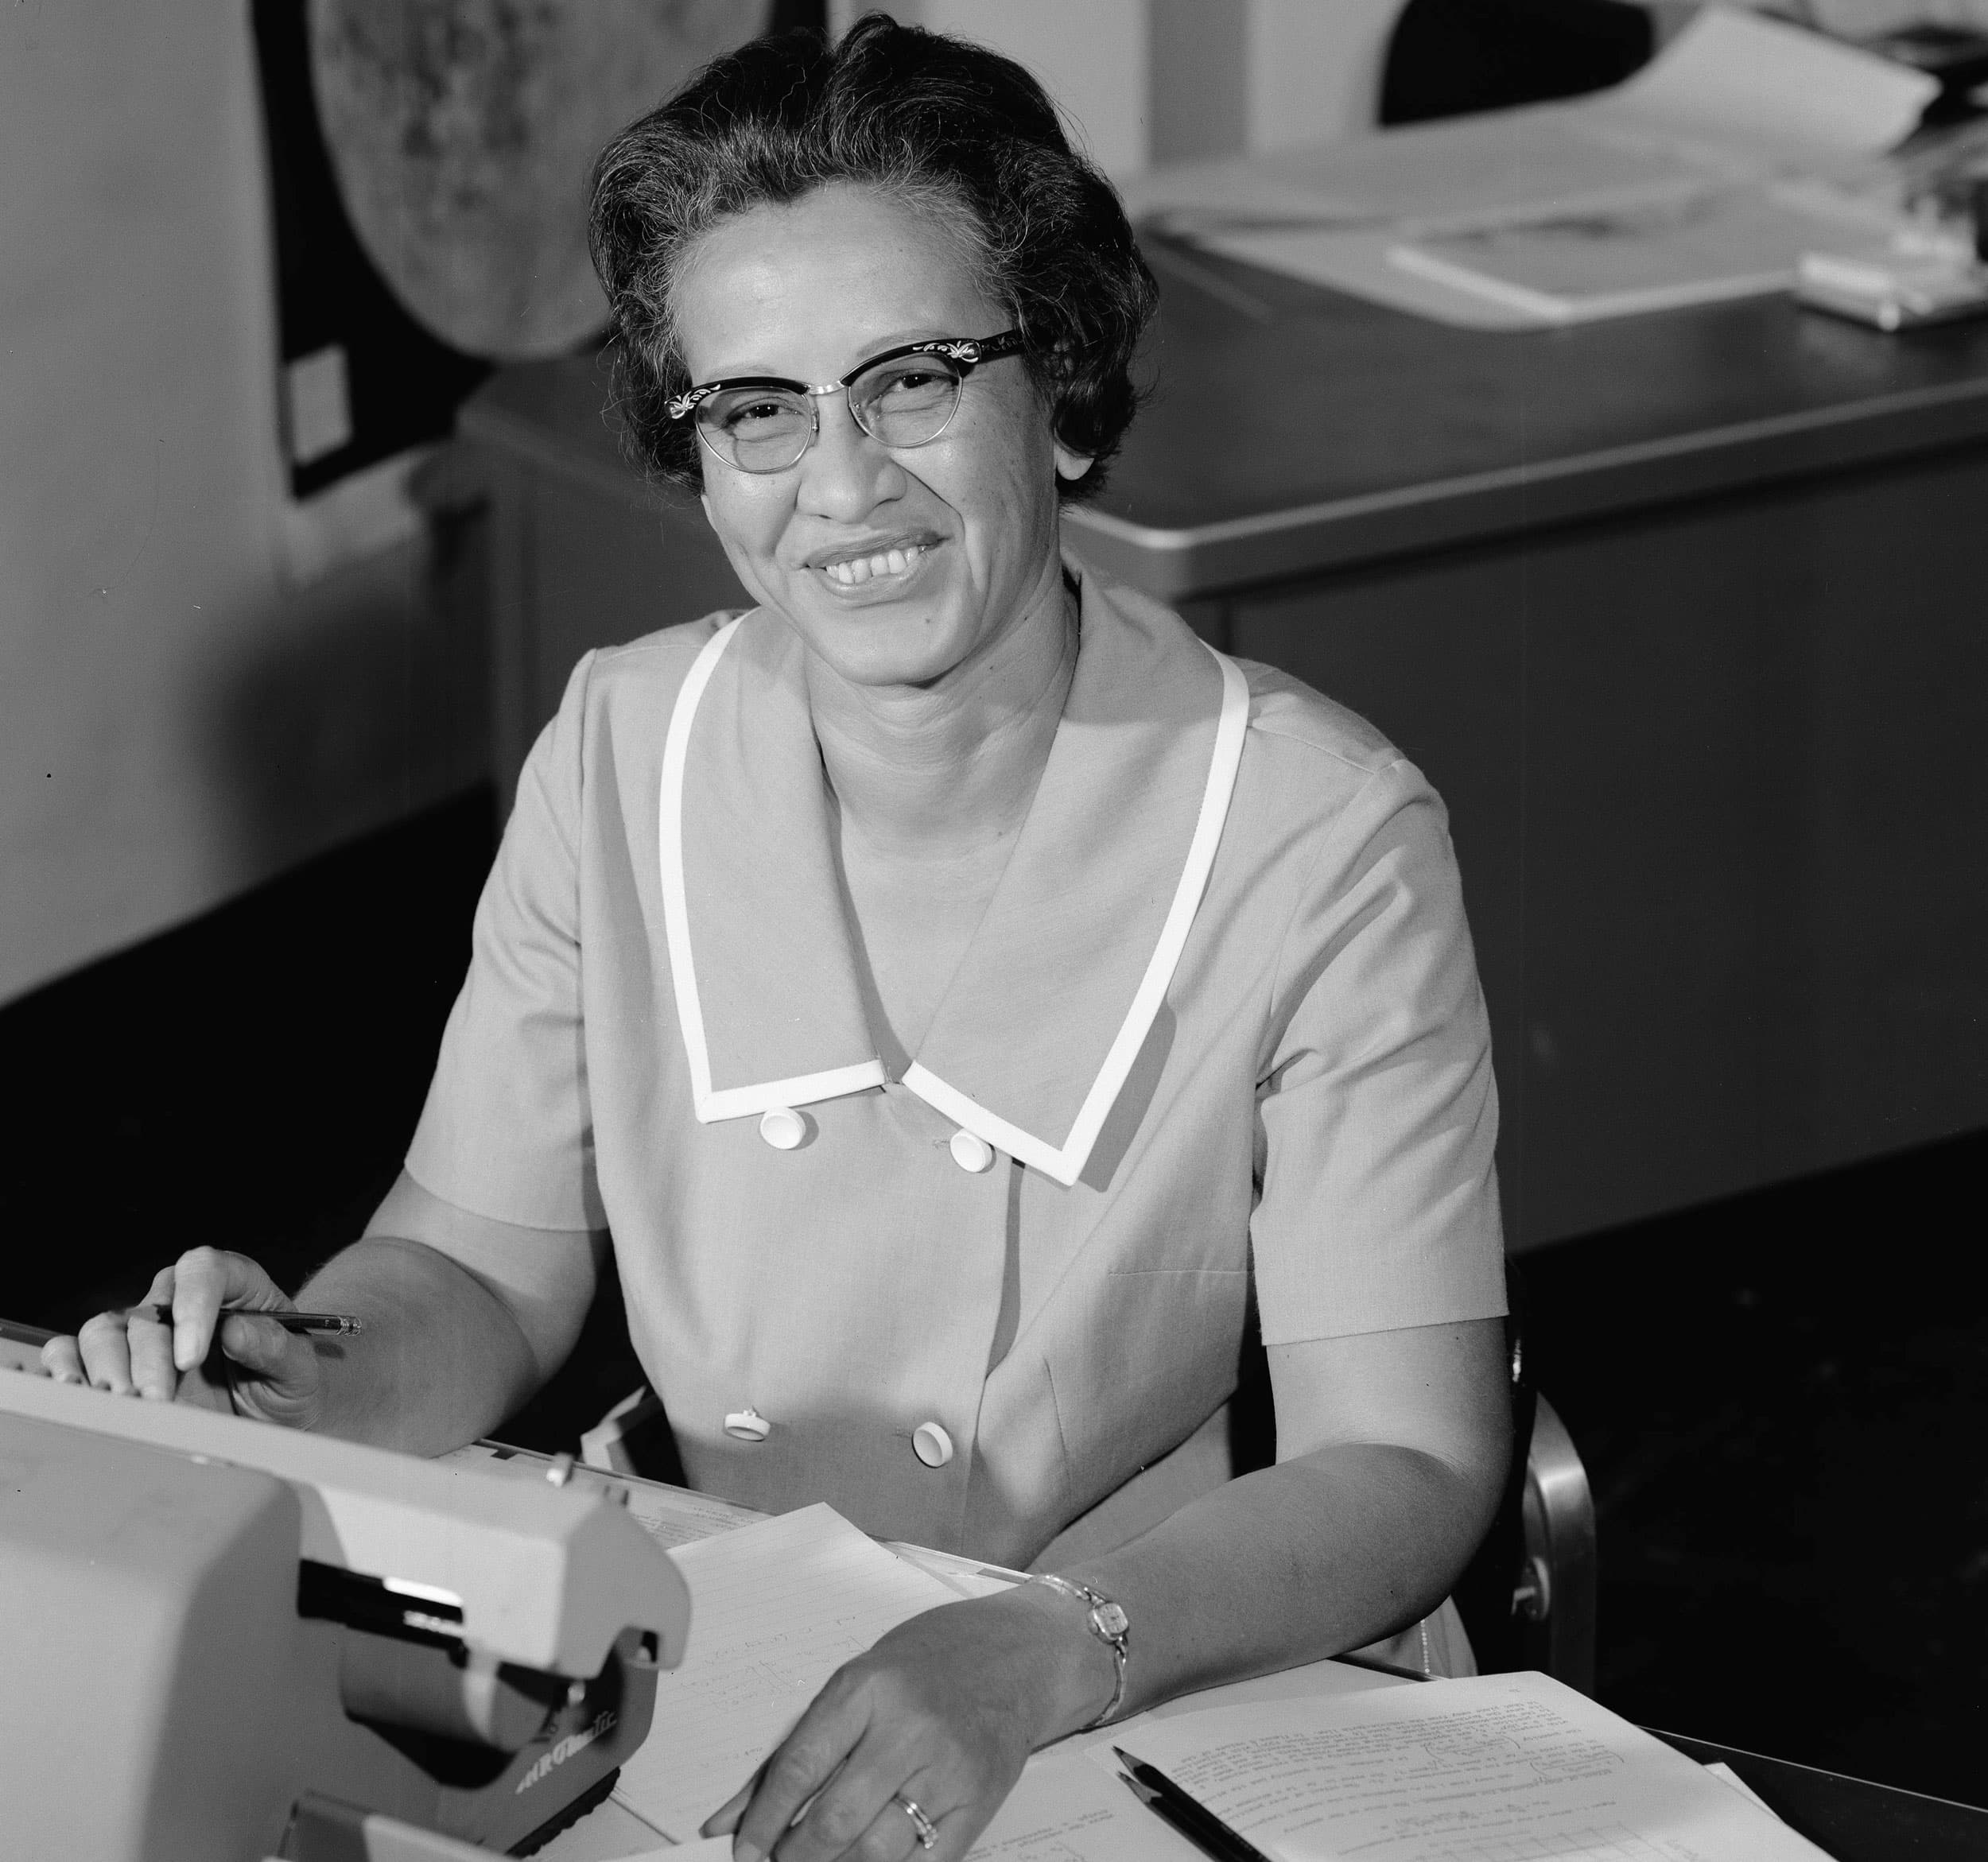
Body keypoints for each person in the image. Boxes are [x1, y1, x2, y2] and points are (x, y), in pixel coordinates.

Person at [47, 16, 1512, 1860]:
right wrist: (293, 1368)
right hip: (716, 1641)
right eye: (757, 408)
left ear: (1055, 386)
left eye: (910, 380)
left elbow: (1407, 1459)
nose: (839, 482)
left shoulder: (1316, 830)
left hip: (1159, 1667)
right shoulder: (621, 746)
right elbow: (483, 1277)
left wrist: (1049, 1646)